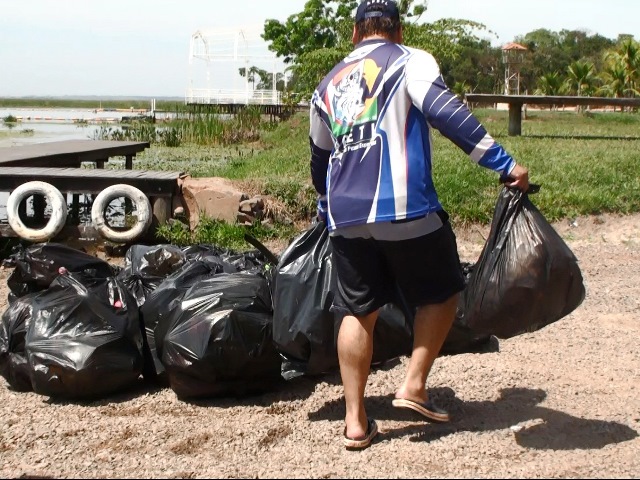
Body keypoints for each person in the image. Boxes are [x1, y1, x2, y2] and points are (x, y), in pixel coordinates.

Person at [309, 0, 529, 450]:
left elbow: (320, 158)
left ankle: (355, 422)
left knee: (357, 311)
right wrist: (504, 164)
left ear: (355, 35)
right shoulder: (410, 60)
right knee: (444, 291)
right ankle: (413, 384)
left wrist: (325, 203)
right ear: (398, 30)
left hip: (346, 216)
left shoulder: (327, 83)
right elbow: (449, 115)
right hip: (404, 207)